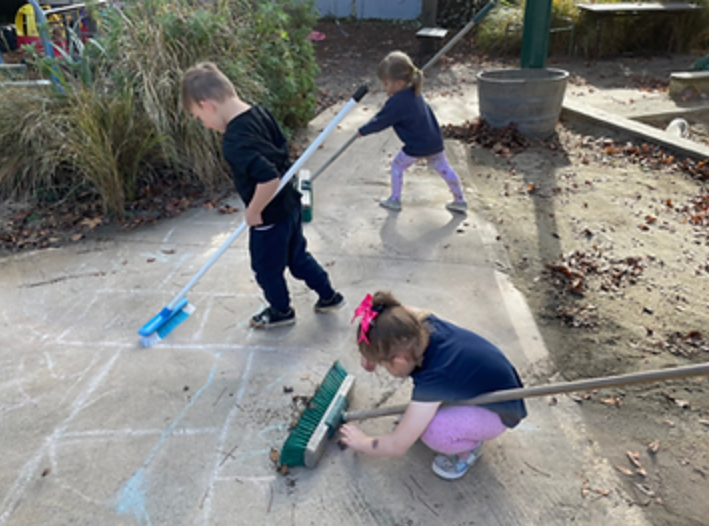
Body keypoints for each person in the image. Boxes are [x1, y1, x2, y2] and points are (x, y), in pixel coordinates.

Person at [181, 62, 345, 329]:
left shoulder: (234, 142)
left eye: (200, 118)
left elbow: (269, 178)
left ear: (207, 105)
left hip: (268, 217)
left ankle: (281, 311)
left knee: (267, 269)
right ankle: (329, 296)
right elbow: (282, 154)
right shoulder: (260, 113)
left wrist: (254, 210)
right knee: (298, 258)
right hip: (289, 206)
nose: (206, 125)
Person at [341, 291, 527, 480]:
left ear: (399, 361)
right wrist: (371, 353)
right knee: (420, 418)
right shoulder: (421, 323)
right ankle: (446, 419)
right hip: (483, 386)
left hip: (498, 411)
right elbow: (395, 313)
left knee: (434, 432)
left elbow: (398, 445)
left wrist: (363, 442)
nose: (380, 367)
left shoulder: (435, 379)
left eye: (383, 363)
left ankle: (467, 451)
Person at [358, 51, 468, 214]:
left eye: (386, 83)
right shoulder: (414, 92)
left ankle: (395, 200)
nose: (384, 87)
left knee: (397, 166)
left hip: (417, 146)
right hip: (434, 142)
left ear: (399, 83)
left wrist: (363, 131)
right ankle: (460, 200)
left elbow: (381, 121)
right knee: (444, 168)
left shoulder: (398, 101)